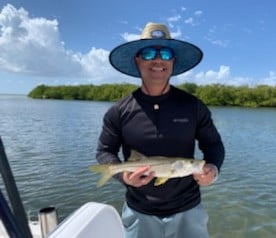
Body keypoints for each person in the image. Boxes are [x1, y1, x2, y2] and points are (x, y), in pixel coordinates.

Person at [96, 22, 225, 238]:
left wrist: (213, 168)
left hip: (189, 210)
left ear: (173, 61)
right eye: (148, 53)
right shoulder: (118, 111)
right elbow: (104, 152)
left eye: (165, 53)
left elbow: (213, 145)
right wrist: (124, 177)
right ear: (137, 60)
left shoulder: (193, 106)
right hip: (139, 212)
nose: (157, 60)